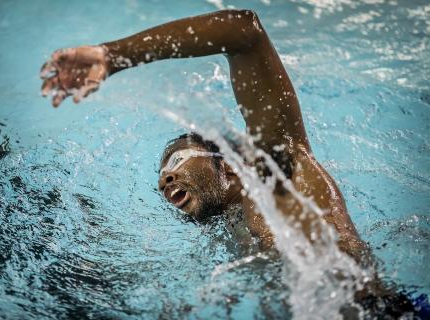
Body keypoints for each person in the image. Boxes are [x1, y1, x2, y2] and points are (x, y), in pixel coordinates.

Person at [40, 9, 429, 317]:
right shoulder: (232, 234)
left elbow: (244, 33)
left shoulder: (279, 172)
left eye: (176, 159)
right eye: (161, 174)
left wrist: (112, 56)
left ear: (226, 167)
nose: (166, 178)